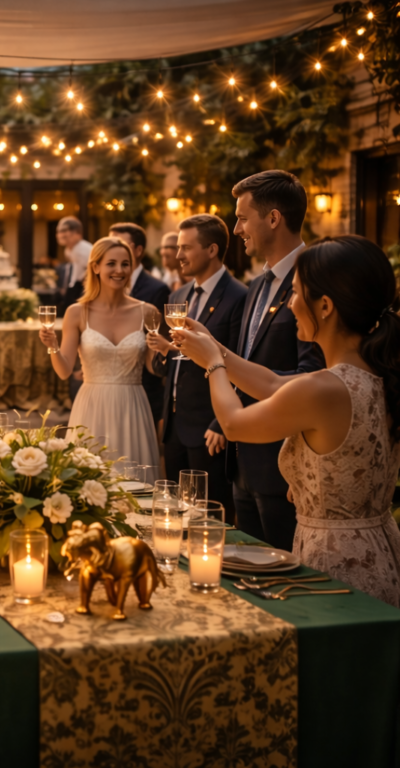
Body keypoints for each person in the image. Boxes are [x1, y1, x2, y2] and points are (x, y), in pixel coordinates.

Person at [174, 235, 400, 607]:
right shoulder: (373, 373)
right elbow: (272, 385)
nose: (290, 303)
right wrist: (215, 346)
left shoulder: (322, 389)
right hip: (381, 552)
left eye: (294, 293)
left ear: (324, 306)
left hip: (335, 563)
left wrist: (213, 364)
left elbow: (233, 424)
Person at [228, 170, 324, 550]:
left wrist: (216, 358)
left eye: (242, 218)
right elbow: (248, 359)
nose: (236, 229)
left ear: (273, 219)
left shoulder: (315, 280)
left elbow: (313, 375)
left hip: (285, 470)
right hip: (243, 464)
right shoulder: (256, 285)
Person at [147, 215, 247, 514]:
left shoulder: (239, 296)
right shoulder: (178, 295)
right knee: (175, 514)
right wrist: (163, 352)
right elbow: (172, 363)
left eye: (186, 248)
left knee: (210, 515)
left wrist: (221, 424)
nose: (178, 255)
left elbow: (242, 362)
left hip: (209, 428)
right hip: (174, 428)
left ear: (212, 250)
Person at [39, 237, 160, 466]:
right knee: (88, 476)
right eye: (111, 263)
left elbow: (155, 369)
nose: (119, 270)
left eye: (125, 264)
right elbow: (64, 371)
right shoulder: (77, 312)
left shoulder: (148, 312)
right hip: (91, 406)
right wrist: (52, 346)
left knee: (133, 476)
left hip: (132, 407)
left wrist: (161, 349)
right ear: (95, 267)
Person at [109, 222, 170, 421]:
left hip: (142, 389)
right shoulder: (100, 291)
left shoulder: (157, 290)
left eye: (120, 244)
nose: (114, 249)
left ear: (138, 250)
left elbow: (159, 343)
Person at [56, 216, 92, 313]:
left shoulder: (83, 250)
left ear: (77, 233)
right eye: (58, 231)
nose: (60, 234)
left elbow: (90, 273)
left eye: (64, 231)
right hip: (79, 284)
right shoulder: (68, 250)